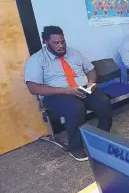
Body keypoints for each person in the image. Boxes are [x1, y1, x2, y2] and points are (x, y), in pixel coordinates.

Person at [24, 26, 112, 162]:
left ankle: (102, 136)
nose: (61, 46)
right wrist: (66, 90)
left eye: (63, 41)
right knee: (75, 108)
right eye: (56, 43)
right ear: (46, 42)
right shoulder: (37, 60)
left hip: (81, 88)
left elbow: (91, 70)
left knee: (103, 101)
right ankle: (75, 147)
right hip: (56, 94)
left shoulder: (74, 53)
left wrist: (91, 82)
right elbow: (33, 88)